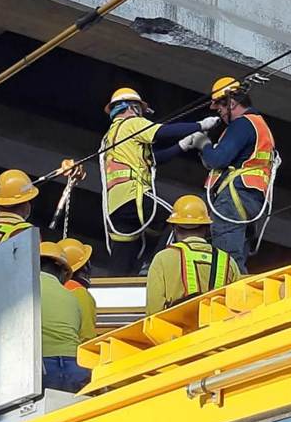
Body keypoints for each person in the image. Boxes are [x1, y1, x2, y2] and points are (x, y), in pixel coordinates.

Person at [100, 87, 219, 275]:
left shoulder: (112, 136)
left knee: (124, 253)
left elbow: (154, 159)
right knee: (175, 218)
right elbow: (162, 132)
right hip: (134, 195)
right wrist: (200, 125)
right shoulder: (131, 123)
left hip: (116, 204)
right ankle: (153, 265)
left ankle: (116, 289)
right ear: (133, 107)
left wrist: (183, 145)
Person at [189, 77, 276, 273]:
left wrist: (203, 143)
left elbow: (218, 160)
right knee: (234, 257)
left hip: (235, 196)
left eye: (220, 105)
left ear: (232, 102)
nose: (218, 110)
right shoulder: (258, 125)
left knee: (225, 258)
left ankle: (230, 295)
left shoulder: (242, 125)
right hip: (250, 198)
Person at [145, 195, 239, 315]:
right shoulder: (229, 262)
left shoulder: (163, 259)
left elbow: (153, 311)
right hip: (217, 331)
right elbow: (237, 307)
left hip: (178, 332)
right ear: (207, 228)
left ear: (174, 228)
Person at [39, 242, 89, 393]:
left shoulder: (26, 288)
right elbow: (85, 335)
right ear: (63, 273)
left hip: (42, 364)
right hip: (76, 365)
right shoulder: (72, 296)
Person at [58, 237, 97, 341]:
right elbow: (87, 336)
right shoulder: (80, 294)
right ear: (84, 267)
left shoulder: (51, 289)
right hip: (72, 352)